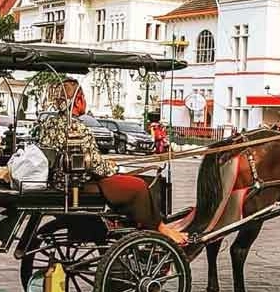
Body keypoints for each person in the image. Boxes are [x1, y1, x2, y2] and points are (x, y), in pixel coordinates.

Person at [38, 79, 188, 244]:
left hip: (60, 180)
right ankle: (159, 228)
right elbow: (93, 164)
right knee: (139, 186)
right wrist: (113, 168)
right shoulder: (77, 128)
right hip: (81, 183)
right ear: (78, 100)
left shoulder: (49, 123)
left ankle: (135, 223)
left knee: (139, 182)